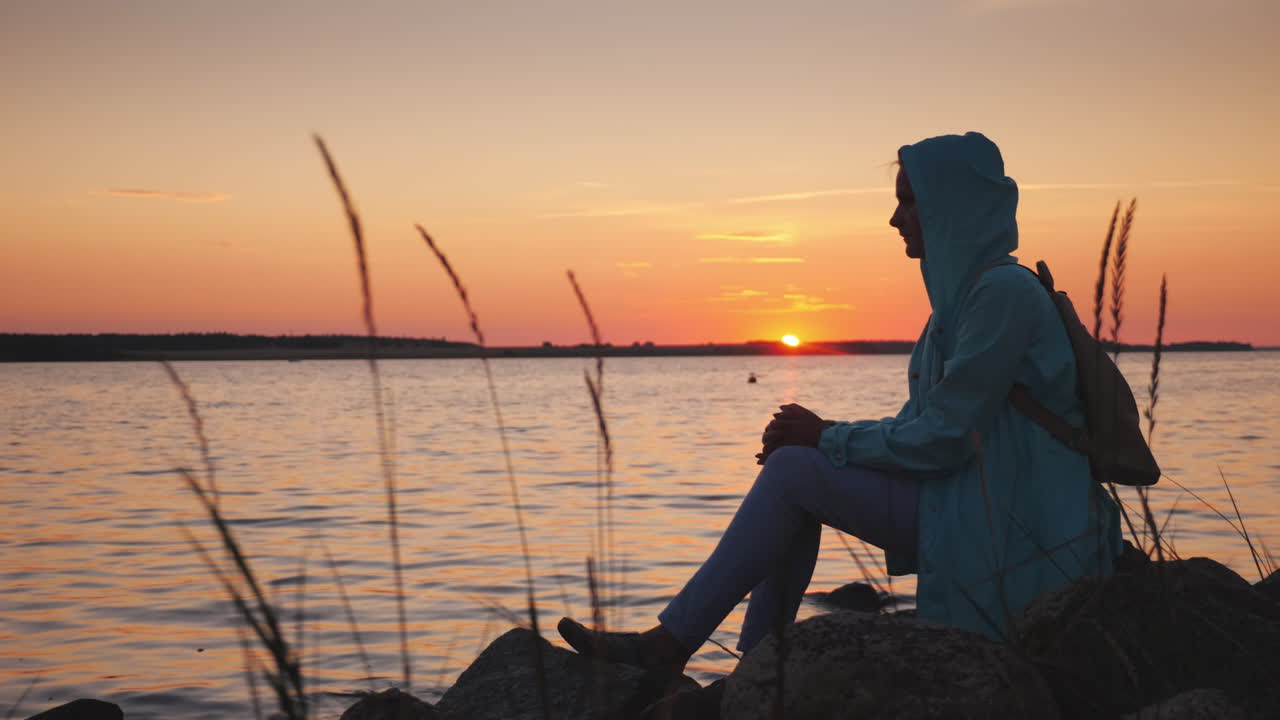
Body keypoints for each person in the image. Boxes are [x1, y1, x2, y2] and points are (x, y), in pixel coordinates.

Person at [558, 131, 1123, 675]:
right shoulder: (957, 307)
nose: (895, 218)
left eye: (908, 201)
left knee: (793, 474)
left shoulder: (1003, 294)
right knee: (796, 475)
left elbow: (945, 440)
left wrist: (826, 436)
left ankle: (683, 648)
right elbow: (921, 427)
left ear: (950, 204)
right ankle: (757, 670)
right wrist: (822, 442)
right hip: (967, 505)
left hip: (1018, 526)